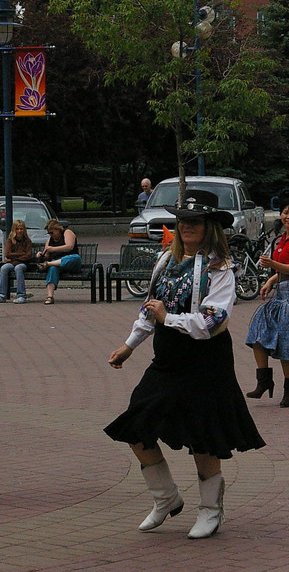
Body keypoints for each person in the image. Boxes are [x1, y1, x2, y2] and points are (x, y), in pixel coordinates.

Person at [105, 189, 265, 539]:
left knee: (204, 434)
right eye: (182, 221)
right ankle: (166, 499)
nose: (187, 227)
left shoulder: (220, 268)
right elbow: (150, 308)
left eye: (195, 221)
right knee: (136, 425)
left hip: (206, 359)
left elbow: (211, 322)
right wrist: (129, 345)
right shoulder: (166, 260)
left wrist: (169, 317)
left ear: (209, 226)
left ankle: (211, 510)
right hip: (169, 357)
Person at [245, 189, 289, 407]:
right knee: (257, 331)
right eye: (285, 212)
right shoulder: (283, 237)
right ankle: (264, 379)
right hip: (282, 289)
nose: (288, 217)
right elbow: (282, 270)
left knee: (286, 342)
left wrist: (272, 266)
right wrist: (270, 281)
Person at [36, 219, 81, 305]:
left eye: (52, 232)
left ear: (57, 229)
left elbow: (69, 246)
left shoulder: (67, 233)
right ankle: (50, 296)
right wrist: (41, 255)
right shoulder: (50, 240)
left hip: (71, 262)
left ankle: (50, 264)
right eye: (49, 233)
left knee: (75, 257)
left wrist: (53, 249)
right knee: (53, 268)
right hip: (57, 263)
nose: (51, 235)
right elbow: (46, 255)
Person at [0, 219, 33, 304]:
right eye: (17, 229)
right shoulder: (10, 240)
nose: (19, 231)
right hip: (12, 263)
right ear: (14, 230)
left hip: (23, 263)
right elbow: (7, 254)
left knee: (19, 268)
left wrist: (15, 258)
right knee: (4, 268)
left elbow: (28, 255)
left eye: (21, 229)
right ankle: (1, 295)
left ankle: (21, 295)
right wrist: (21, 254)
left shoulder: (27, 241)